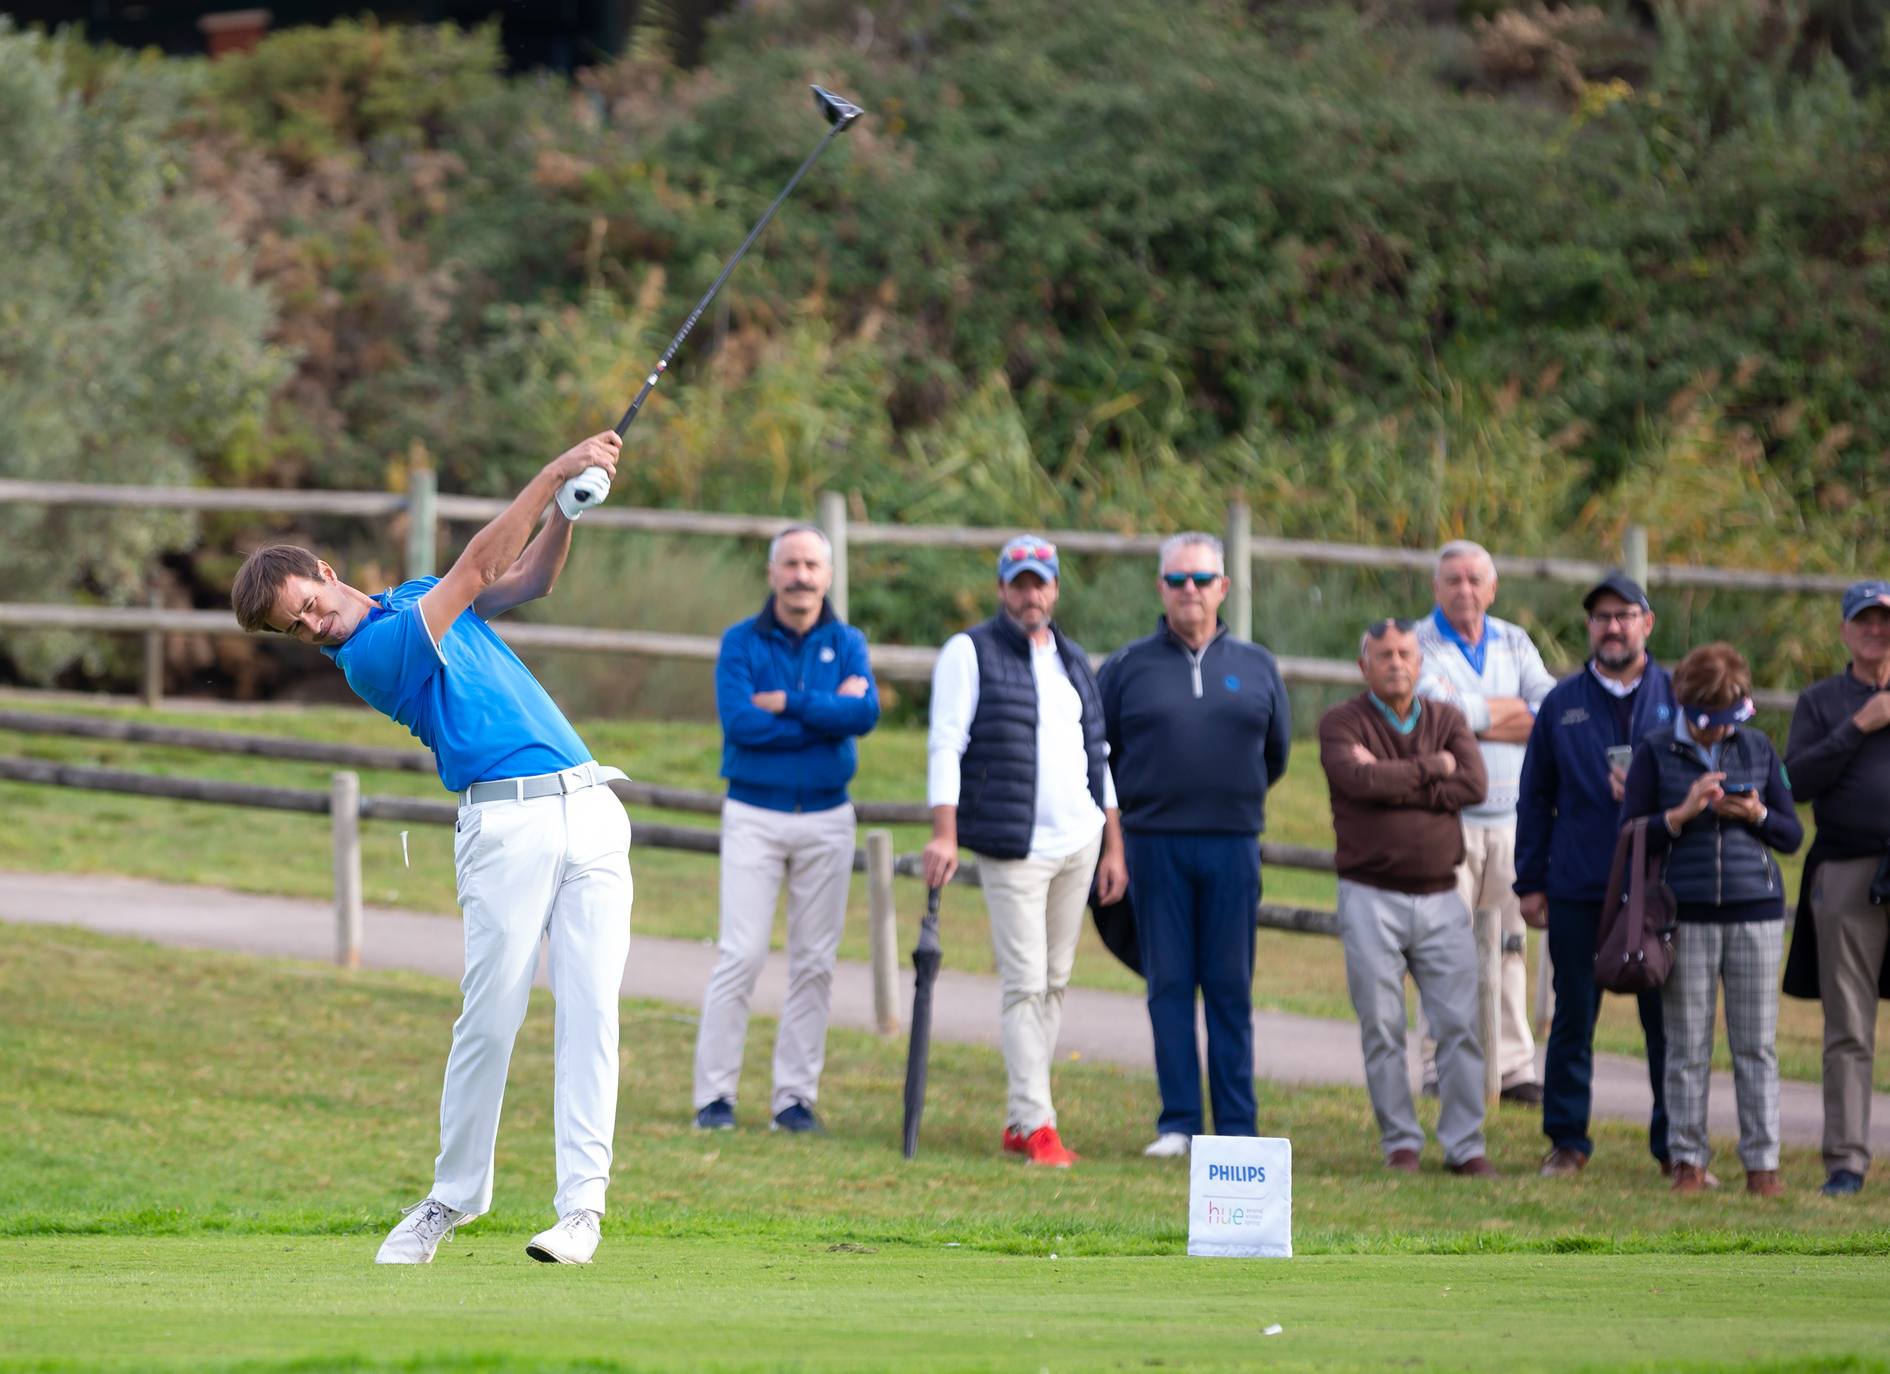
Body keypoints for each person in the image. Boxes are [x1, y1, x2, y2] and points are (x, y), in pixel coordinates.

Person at [231, 429, 631, 1266]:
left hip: (591, 802)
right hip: (504, 824)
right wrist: (554, 468)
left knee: (593, 1014)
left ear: (325, 573)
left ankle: (580, 1213)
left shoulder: (410, 594)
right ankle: (451, 1200)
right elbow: (478, 570)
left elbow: (529, 579)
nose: (311, 624)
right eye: (294, 628)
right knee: (490, 1020)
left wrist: (567, 509)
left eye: (305, 602)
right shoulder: (371, 657)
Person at [920, 535, 1126, 1167]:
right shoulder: (969, 651)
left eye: (1041, 583)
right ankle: (1038, 1123)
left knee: (1056, 982)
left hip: (1080, 841)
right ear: (1002, 588)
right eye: (1019, 582)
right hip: (1014, 845)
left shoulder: (1073, 657)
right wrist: (946, 832)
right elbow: (946, 744)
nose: (1030, 594)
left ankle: (1021, 1116)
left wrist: (1113, 843)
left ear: (1055, 589)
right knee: (1025, 982)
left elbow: (1100, 753)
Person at [1100, 532, 1290, 1158]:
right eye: (1177, 580)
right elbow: (1102, 761)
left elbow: (1277, 753)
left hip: (1233, 844)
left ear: (1223, 587)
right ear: (1160, 587)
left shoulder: (1258, 665)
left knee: (1230, 987)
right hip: (1154, 845)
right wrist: (1117, 846)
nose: (1190, 591)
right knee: (1170, 985)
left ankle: (1236, 1127)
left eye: (1202, 580)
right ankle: (1178, 1122)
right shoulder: (1127, 667)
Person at [693, 526, 879, 1135]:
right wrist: (826, 712)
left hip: (828, 816)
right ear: (773, 573)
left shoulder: (848, 641)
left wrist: (790, 703)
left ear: (827, 575)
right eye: (791, 564)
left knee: (815, 962)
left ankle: (793, 1100)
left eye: (812, 565)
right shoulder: (741, 642)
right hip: (754, 812)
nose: (802, 575)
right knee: (740, 955)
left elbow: (866, 714)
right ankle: (714, 1099)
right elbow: (742, 723)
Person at [1620, 642, 1802, 1195]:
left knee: (1756, 1045)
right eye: (1707, 727)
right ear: (1684, 705)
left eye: (1726, 725)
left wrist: (1757, 814)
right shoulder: (1653, 752)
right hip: (1686, 916)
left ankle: (1762, 1164)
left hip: (1757, 914)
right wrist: (1680, 814)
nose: (1718, 736)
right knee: (1687, 1044)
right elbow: (1631, 835)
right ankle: (1687, 1161)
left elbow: (1791, 835)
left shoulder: (1759, 747)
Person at [1515, 572, 1676, 1179]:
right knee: (1573, 1014)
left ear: (1646, 623)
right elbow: (1535, 798)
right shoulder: (1563, 702)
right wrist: (1529, 882)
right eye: (1602, 617)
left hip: (1658, 886)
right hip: (1580, 882)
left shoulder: (1675, 696)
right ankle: (1567, 1141)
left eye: (1625, 615)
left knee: (1666, 1021)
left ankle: (1674, 1147)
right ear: (1590, 627)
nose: (1613, 627)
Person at [1320, 618, 1495, 1176]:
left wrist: (1397, 778)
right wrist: (1431, 770)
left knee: (1459, 1026)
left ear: (1420, 664)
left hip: (1443, 896)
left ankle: (1465, 1145)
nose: (1396, 662)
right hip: (1369, 896)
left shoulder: (1447, 717)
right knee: (1382, 1025)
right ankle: (1401, 1142)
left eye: (1405, 653)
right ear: (1363, 666)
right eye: (1384, 655)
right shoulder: (1340, 722)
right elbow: (1358, 784)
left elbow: (1473, 785)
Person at [1414, 540, 1555, 1105]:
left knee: (1511, 946)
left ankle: (1512, 1065)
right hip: (1447, 820)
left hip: (1513, 820)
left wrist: (1474, 716)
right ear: (1436, 588)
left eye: (1475, 580)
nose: (1465, 590)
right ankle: (1440, 1065)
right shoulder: (1417, 645)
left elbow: (1547, 707)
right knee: (1442, 948)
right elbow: (1436, 716)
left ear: (1492, 588)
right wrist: (1504, 712)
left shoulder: (1514, 640)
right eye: (1453, 580)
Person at [1782, 580, 1890, 1197]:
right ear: (1846, 630)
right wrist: (1859, 726)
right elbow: (1793, 781)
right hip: (1848, 869)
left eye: (1885, 620)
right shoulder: (1823, 701)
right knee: (1849, 1024)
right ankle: (1846, 1160)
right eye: (1864, 620)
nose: (1876, 630)